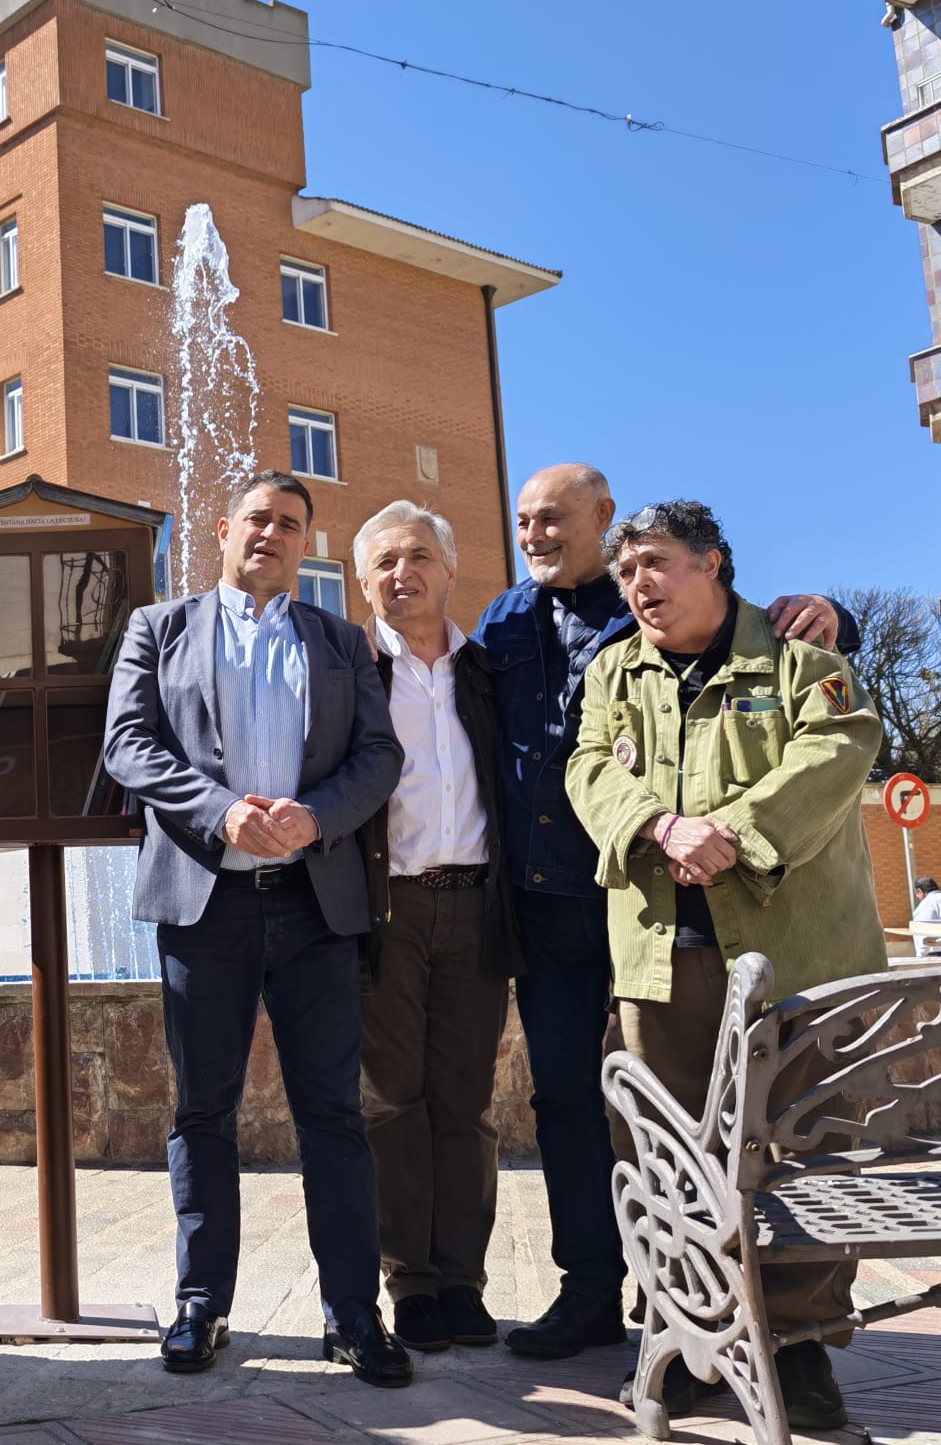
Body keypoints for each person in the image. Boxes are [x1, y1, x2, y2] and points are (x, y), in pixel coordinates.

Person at [472, 463, 857, 1360]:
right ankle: (615, 1301)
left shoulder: (705, 622)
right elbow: (566, 754)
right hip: (569, 906)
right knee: (598, 1112)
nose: (533, 535)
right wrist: (658, 824)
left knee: (770, 1122)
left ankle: (786, 1340)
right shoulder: (507, 622)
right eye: (522, 521)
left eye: (551, 518)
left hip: (697, 911)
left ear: (603, 517)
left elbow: (811, 696)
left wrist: (840, 615)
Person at [567, 499, 886, 1431]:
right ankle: (694, 1335)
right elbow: (589, 766)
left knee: (803, 1149)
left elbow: (839, 751)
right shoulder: (613, 671)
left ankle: (799, 1345)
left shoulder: (800, 659)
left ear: (713, 563)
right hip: (659, 963)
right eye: (626, 573)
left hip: (797, 960)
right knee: (667, 1154)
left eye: (656, 564)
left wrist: (732, 835)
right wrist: (658, 826)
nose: (638, 586)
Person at [102, 470, 410, 1386]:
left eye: (289, 523)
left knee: (333, 1114)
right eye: (257, 519)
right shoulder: (159, 629)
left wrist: (317, 815)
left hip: (315, 906)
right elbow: (128, 744)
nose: (271, 533)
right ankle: (202, 1305)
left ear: (306, 543)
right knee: (203, 1110)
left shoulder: (340, 639)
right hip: (208, 906)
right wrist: (220, 811)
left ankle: (352, 1314)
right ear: (223, 528)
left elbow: (379, 754)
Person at [349, 502, 518, 1356]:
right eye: (384, 562)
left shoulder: (488, 671)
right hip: (388, 908)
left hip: (477, 906)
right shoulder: (348, 671)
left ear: (451, 570)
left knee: (467, 1103)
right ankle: (411, 1283)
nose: (401, 573)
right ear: (362, 581)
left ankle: (462, 1280)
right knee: (391, 1102)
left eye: (418, 556)